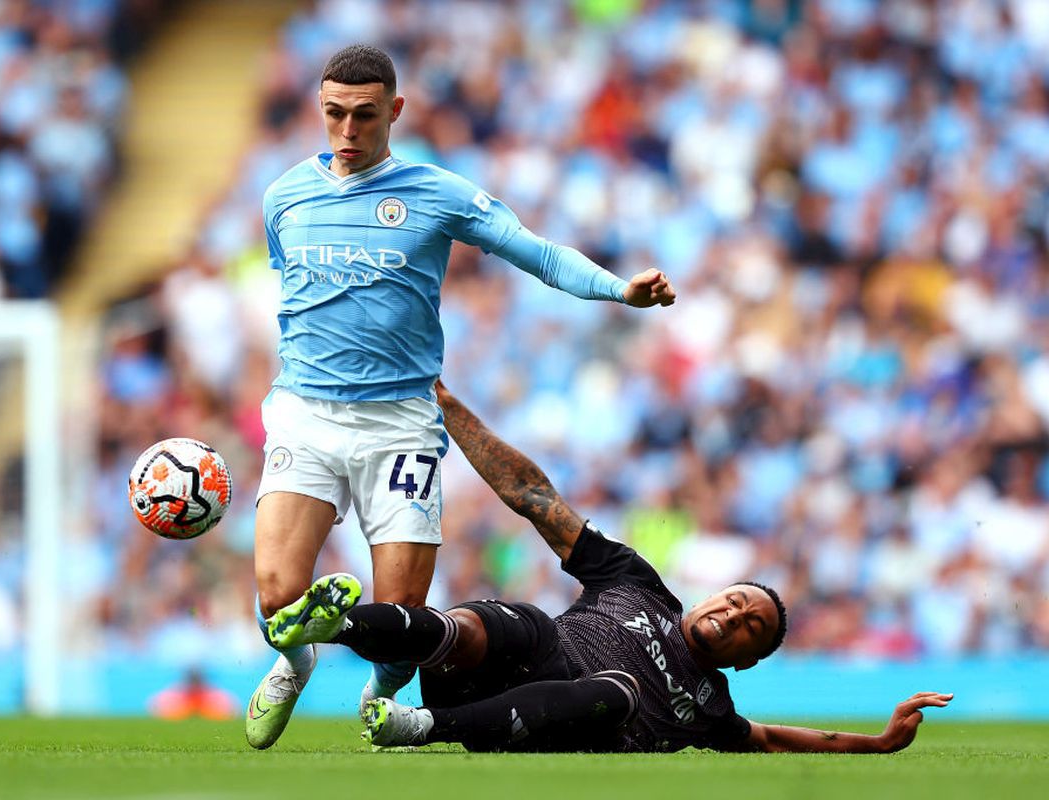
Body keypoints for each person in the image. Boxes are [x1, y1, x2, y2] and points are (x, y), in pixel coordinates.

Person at [245, 43, 676, 750]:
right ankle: (293, 665)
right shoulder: (285, 195)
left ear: (396, 111)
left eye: (364, 115)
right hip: (307, 414)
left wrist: (619, 289)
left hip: (400, 425)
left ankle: (380, 691)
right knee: (276, 596)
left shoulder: (438, 193)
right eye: (333, 115)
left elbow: (533, 251)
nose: (347, 131)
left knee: (402, 616)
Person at [264, 381, 953, 753]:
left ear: (745, 663)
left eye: (751, 628)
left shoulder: (710, 709)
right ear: (709, 594)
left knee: (617, 691)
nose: (733, 615)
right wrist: (450, 411)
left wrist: (878, 745)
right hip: (496, 665)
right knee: (508, 624)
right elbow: (538, 501)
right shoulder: (637, 583)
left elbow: (774, 737)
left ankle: (412, 727)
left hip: (528, 726)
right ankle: (322, 624)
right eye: (737, 600)